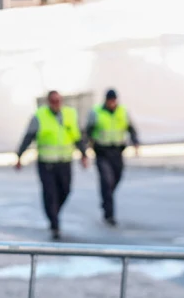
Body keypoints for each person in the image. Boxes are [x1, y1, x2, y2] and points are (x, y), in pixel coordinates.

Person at [15, 90, 80, 240]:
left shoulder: (69, 114)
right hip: (46, 163)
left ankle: (54, 214)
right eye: (53, 101)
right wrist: (19, 156)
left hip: (64, 162)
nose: (56, 104)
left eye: (59, 101)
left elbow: (76, 135)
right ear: (48, 102)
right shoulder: (39, 116)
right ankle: (55, 224)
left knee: (65, 191)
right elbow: (28, 136)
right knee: (50, 194)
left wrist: (83, 153)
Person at [80, 89, 140, 227]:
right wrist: (84, 151)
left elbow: (131, 128)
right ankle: (109, 214)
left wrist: (135, 142)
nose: (112, 103)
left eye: (114, 100)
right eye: (110, 100)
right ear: (106, 100)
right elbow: (87, 132)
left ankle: (106, 199)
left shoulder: (123, 111)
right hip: (102, 152)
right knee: (107, 181)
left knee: (116, 179)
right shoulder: (96, 112)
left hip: (118, 152)